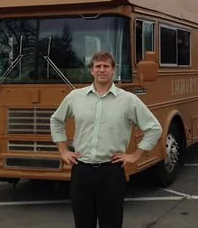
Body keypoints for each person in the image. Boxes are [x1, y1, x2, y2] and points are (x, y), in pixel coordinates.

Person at [50, 51, 162, 228]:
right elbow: (56, 120)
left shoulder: (128, 100)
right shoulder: (75, 97)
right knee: (83, 222)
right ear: (92, 71)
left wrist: (135, 155)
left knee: (111, 223)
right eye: (98, 66)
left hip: (111, 172)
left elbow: (154, 128)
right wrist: (63, 150)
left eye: (106, 66)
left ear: (113, 70)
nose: (102, 70)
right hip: (82, 171)